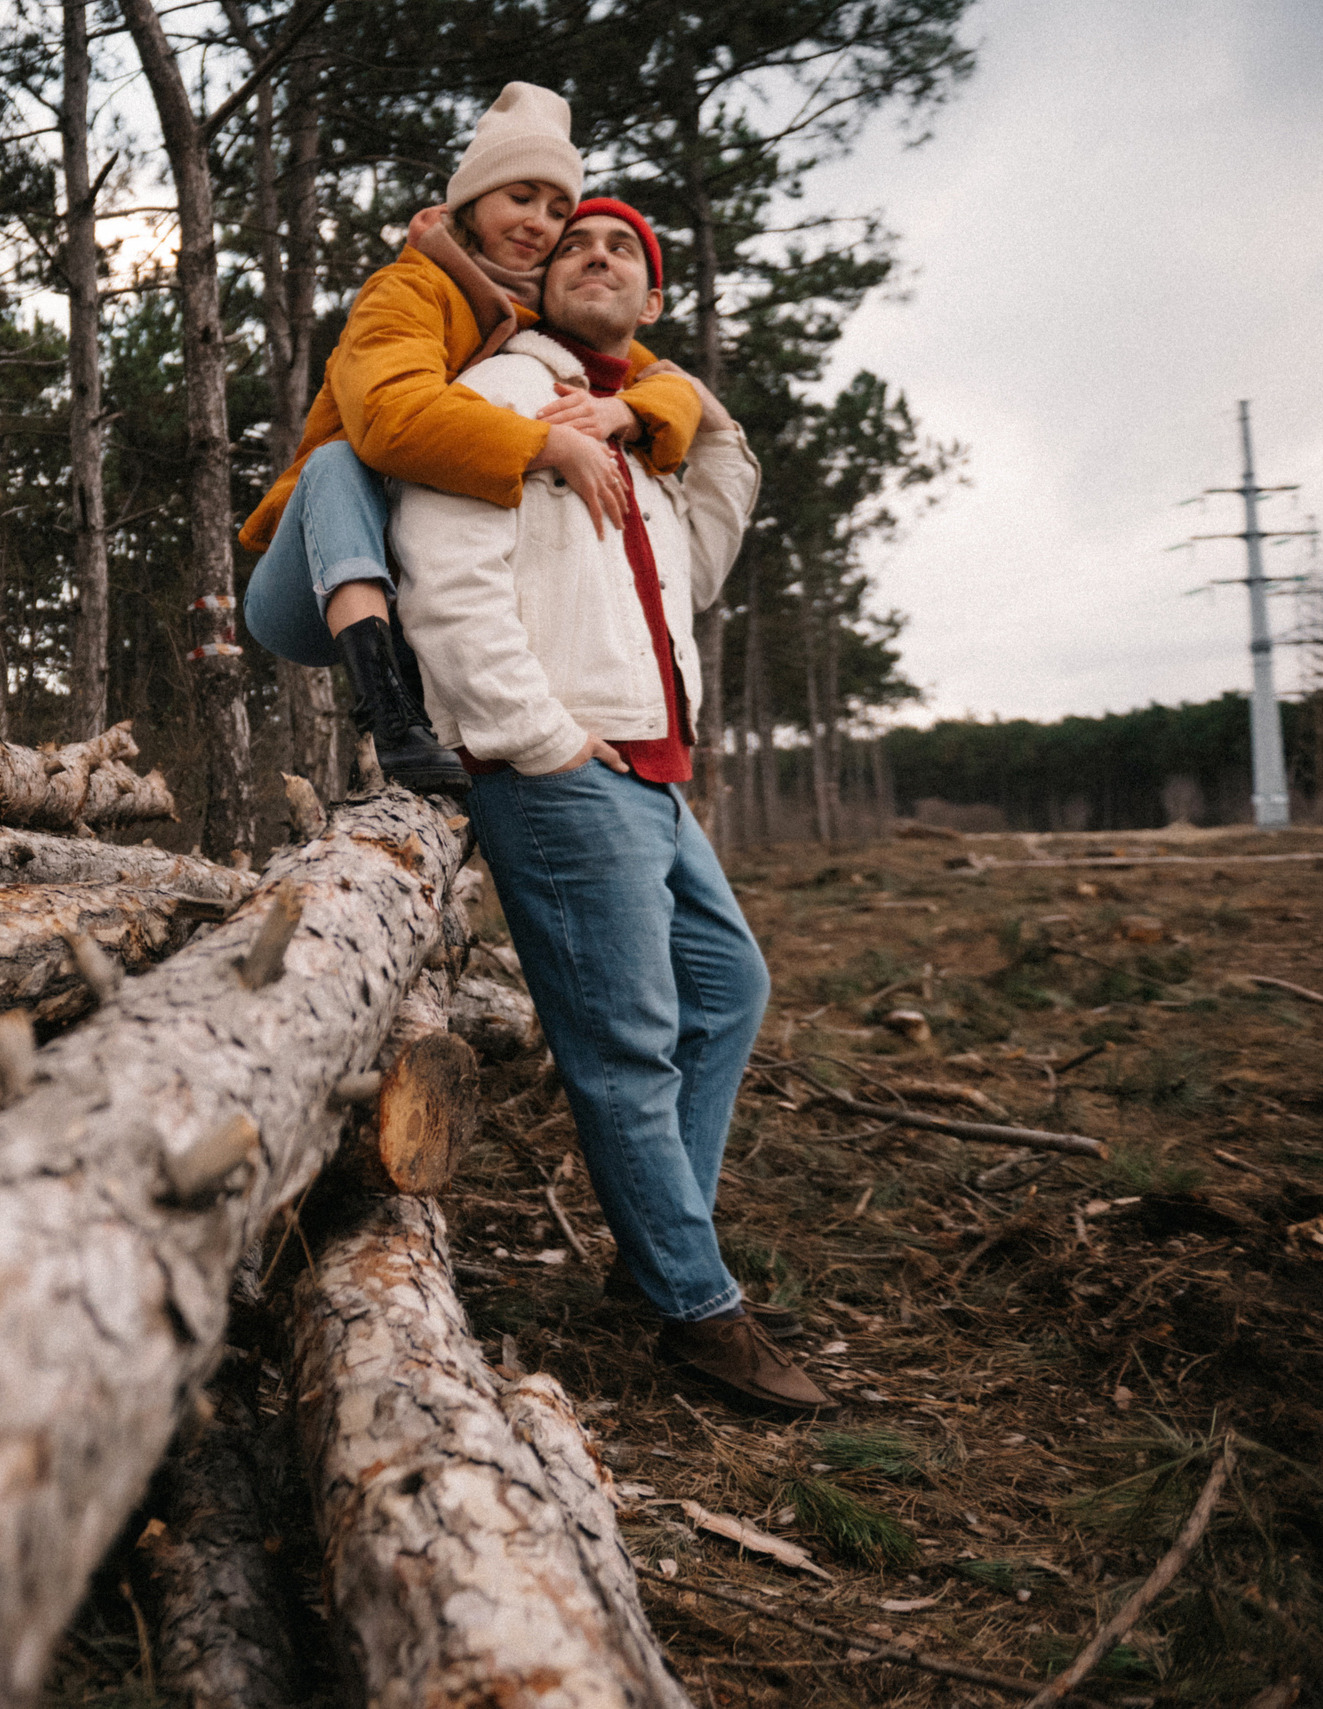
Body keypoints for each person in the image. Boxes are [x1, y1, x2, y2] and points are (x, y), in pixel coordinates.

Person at [389, 200, 833, 1415]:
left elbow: (719, 484)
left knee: (728, 987)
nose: (595, 252)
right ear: (538, 286)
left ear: (650, 306)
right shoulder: (495, 392)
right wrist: (536, 738)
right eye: (574, 242)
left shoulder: (641, 437)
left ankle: (661, 1259)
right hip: (564, 772)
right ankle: (697, 1311)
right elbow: (445, 577)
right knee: (625, 1047)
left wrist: (645, 406)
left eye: (626, 252)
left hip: (652, 772)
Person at [239, 82, 705, 794]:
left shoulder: (532, 315)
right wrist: (549, 443)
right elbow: (390, 419)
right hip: (306, 581)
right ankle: (390, 716)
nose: (540, 224)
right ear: (473, 199)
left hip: (409, 586)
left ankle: (427, 713)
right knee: (339, 463)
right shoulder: (405, 291)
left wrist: (627, 416)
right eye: (520, 197)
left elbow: (668, 380)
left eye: (558, 210)